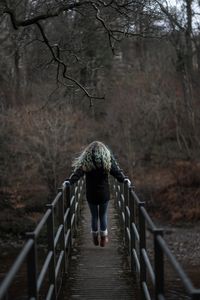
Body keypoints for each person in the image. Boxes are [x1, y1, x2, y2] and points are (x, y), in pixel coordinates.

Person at [68, 141, 126, 247]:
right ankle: (103, 238)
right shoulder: (106, 161)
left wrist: (69, 182)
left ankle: (95, 237)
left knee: (94, 216)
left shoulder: (87, 162)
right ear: (104, 151)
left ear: (88, 152)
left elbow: (78, 174)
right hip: (104, 194)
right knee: (103, 215)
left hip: (91, 194)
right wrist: (125, 180)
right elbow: (116, 172)